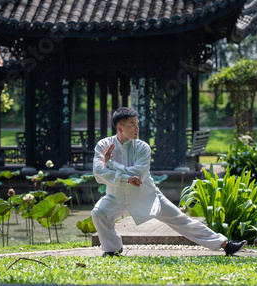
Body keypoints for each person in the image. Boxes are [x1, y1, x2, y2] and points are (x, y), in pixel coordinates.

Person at [91, 107, 247, 257]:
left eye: (137, 124)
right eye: (132, 125)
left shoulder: (142, 147)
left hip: (146, 195)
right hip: (116, 196)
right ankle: (112, 249)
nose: (137, 128)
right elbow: (99, 173)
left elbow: (138, 174)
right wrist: (125, 178)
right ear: (120, 127)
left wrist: (110, 164)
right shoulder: (103, 145)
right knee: (99, 213)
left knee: (181, 220)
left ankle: (225, 244)